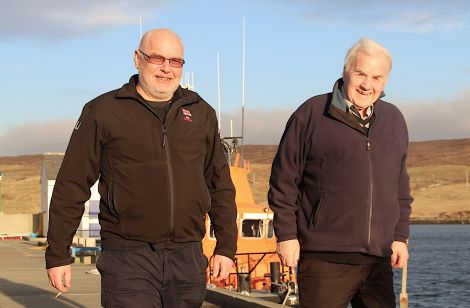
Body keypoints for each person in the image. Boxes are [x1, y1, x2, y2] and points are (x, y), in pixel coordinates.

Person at [46, 28, 237, 307]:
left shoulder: (200, 112)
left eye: (175, 61)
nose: (166, 69)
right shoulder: (103, 112)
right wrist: (58, 254)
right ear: (137, 59)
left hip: (187, 257)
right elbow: (71, 184)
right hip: (127, 258)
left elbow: (219, 183)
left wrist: (227, 247)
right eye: (157, 58)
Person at [268, 38, 413, 308]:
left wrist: (399, 237)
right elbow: (284, 179)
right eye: (360, 73)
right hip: (324, 259)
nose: (367, 84)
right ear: (346, 71)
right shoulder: (311, 114)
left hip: (378, 261)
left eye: (376, 77)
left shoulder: (394, 119)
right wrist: (286, 235)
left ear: (385, 81)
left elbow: (400, 186)